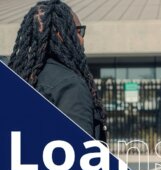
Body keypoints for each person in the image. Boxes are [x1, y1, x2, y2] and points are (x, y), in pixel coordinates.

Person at [8, 0, 107, 141]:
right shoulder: (70, 87)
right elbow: (77, 154)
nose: (81, 38)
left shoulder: (16, 79)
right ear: (62, 33)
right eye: (78, 31)